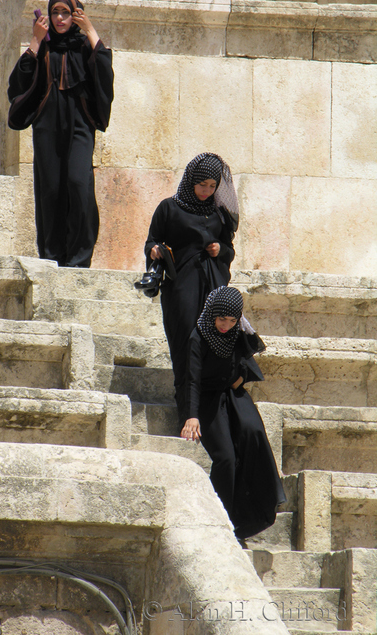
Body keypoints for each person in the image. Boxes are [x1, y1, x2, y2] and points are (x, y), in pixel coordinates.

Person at [8, 0, 114, 268]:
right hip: (47, 126)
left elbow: (104, 70)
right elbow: (18, 84)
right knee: (51, 190)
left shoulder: (83, 45)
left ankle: (80, 258)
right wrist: (35, 39)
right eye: (55, 12)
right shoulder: (44, 46)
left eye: (65, 13)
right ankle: (52, 256)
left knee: (79, 184)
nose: (59, 18)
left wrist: (90, 29)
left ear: (75, 14)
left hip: (80, 124)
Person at [181, 286, 286, 540]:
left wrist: (240, 376)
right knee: (226, 457)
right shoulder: (199, 336)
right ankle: (218, 516)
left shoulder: (236, 330)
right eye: (221, 319)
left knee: (253, 433)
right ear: (212, 315)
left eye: (231, 320)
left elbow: (247, 358)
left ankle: (255, 509)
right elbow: (192, 380)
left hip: (232, 394)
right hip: (207, 400)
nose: (226, 325)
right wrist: (191, 416)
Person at [143, 153, 239, 428]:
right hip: (182, 288)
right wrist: (153, 250)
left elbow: (229, 249)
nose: (207, 191)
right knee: (186, 346)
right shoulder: (169, 208)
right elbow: (152, 241)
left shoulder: (218, 213)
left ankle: (207, 413)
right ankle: (186, 413)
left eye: (212, 186)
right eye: (202, 185)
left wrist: (221, 250)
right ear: (190, 181)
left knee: (212, 346)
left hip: (213, 288)